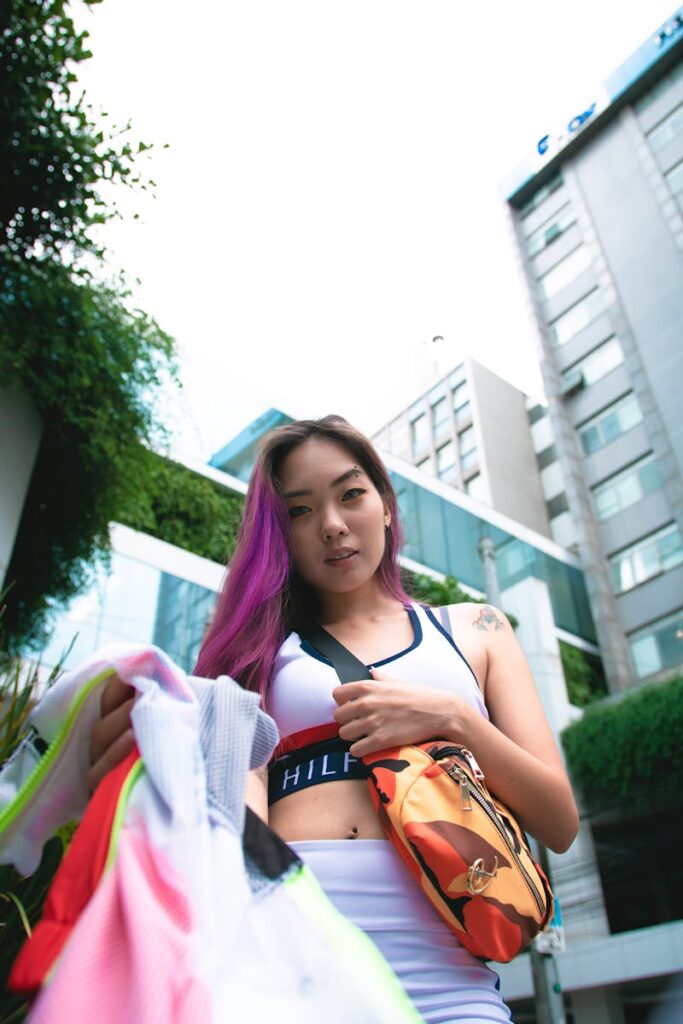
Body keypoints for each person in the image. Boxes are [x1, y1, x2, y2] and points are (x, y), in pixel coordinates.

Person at [90, 415, 579, 1024]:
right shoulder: (259, 649)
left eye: (351, 494)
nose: (332, 525)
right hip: (296, 955)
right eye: (299, 511)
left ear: (386, 505)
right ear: (281, 535)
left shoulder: (478, 628)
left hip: (450, 973)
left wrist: (454, 717)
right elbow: (241, 797)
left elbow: (559, 822)